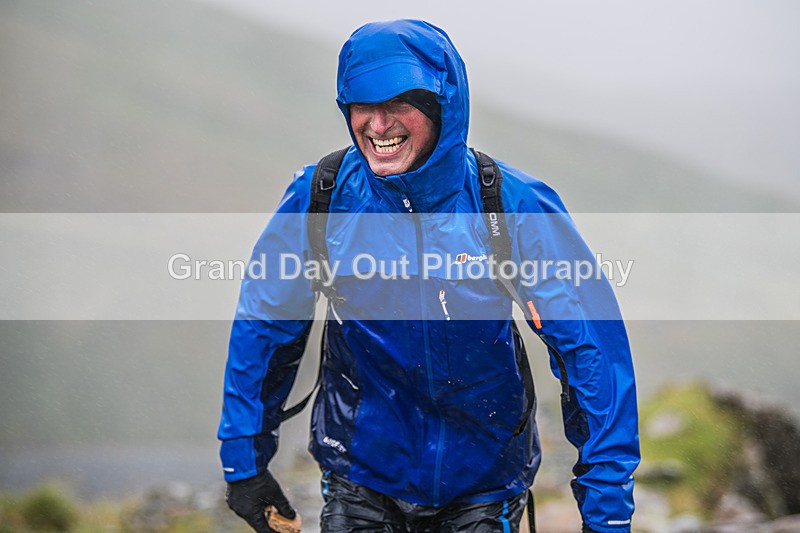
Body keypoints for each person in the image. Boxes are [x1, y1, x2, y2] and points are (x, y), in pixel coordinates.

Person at [219, 19, 639, 533]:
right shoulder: (322, 198)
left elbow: (590, 352)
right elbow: (264, 327)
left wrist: (607, 513)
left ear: (444, 105)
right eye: (362, 105)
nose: (378, 125)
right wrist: (245, 465)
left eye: (399, 104)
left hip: (483, 484)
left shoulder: (509, 206)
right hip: (360, 475)